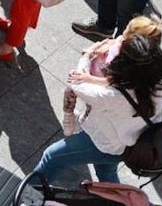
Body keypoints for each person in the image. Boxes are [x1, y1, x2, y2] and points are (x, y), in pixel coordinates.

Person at [33, 32, 162, 184]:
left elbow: (77, 83)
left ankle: (28, 194)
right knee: (105, 171)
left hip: (103, 143)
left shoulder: (112, 96)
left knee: (52, 157)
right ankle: (119, 200)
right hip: (129, 144)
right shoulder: (156, 83)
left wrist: (88, 55)